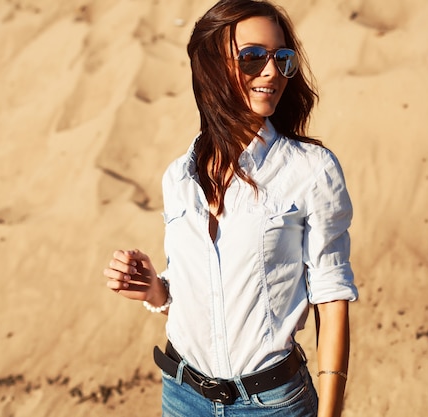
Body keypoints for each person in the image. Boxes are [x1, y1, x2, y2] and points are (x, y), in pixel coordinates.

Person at [103, 0, 358, 415]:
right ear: (211, 68)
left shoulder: (311, 170)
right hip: (183, 395)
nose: (272, 71)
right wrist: (155, 289)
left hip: (272, 404)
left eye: (282, 58)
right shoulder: (178, 178)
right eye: (253, 57)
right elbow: (208, 287)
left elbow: (331, 299)